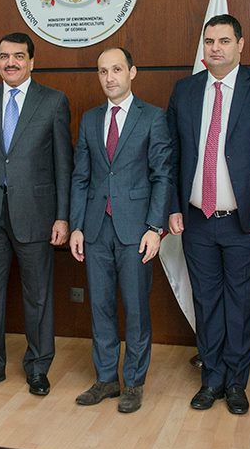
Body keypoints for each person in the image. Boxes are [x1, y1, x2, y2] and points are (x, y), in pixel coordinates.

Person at [166, 13, 250, 415]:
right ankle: (212, 378)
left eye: (223, 41)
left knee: (241, 304)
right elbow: (171, 156)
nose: (215, 48)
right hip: (197, 220)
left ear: (240, 45)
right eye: (209, 41)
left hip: (245, 222)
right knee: (206, 302)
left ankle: (236, 382)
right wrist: (172, 206)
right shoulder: (185, 90)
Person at [0, 32, 71, 396]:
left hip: (37, 214)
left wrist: (63, 216)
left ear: (31, 61)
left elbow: (63, 165)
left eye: (18, 56)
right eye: (4, 56)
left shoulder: (53, 101)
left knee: (38, 296)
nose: (11, 62)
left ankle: (38, 366)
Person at [69, 47, 173, 413]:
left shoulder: (153, 117)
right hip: (96, 228)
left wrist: (155, 227)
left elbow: (162, 176)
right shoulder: (90, 119)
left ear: (132, 72)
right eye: (103, 71)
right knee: (100, 306)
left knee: (136, 308)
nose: (109, 77)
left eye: (116, 69)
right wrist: (77, 226)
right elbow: (80, 177)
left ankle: (134, 382)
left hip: (136, 230)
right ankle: (106, 379)